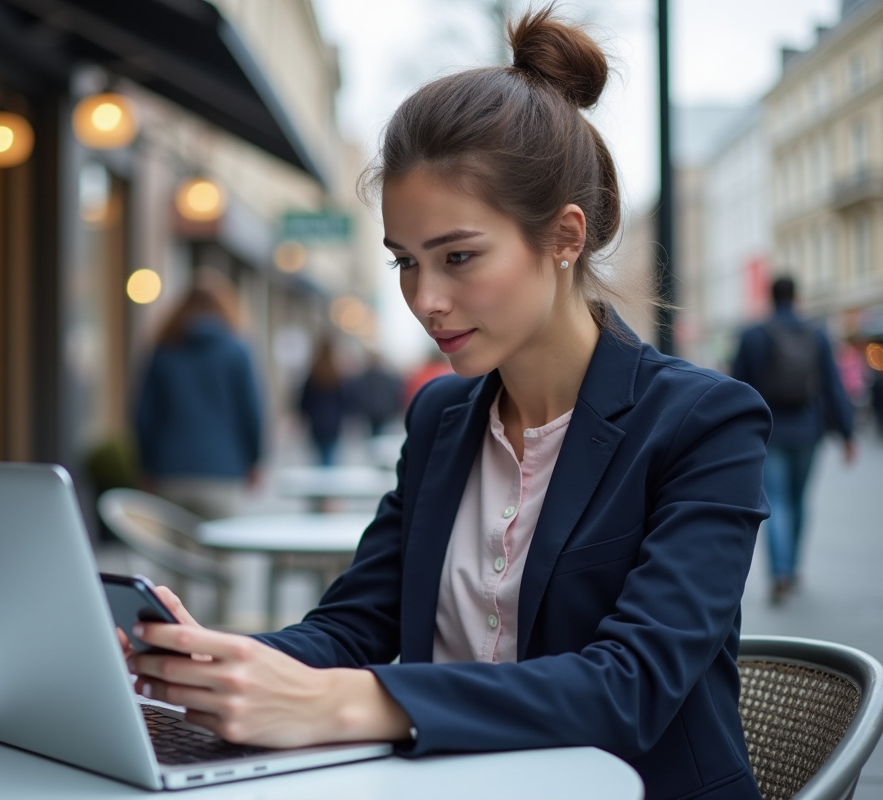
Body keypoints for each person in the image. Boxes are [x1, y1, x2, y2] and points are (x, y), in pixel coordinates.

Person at [125, 10, 771, 800]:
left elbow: (628, 687)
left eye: (459, 256)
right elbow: (354, 625)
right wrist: (212, 663)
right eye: (405, 262)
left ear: (565, 236)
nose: (425, 300)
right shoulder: (442, 418)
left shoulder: (705, 423)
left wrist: (352, 701)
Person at [732, 276, 856, 604]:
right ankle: (794, 568)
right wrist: (847, 432)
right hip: (807, 430)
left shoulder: (754, 334)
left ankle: (780, 574)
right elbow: (833, 384)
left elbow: (735, 387)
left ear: (771, 297)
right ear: (796, 297)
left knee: (777, 500)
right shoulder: (817, 333)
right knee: (799, 499)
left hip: (768, 431)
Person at [134, 269, 263, 520]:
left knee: (173, 557)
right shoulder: (237, 351)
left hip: (170, 471)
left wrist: (146, 465)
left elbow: (143, 416)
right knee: (220, 556)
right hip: (222, 472)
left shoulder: (163, 352)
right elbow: (251, 412)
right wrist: (254, 460)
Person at [298, 338, 351, 466]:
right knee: (330, 456)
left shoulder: (313, 374)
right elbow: (344, 401)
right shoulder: (337, 374)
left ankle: (322, 481)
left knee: (319, 458)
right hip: (333, 423)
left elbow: (304, 401)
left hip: (316, 423)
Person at [351, 352, 404, 436]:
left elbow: (358, 394)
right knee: (381, 435)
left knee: (373, 434)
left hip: (370, 412)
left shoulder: (363, 377)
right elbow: (393, 392)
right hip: (384, 411)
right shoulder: (386, 376)